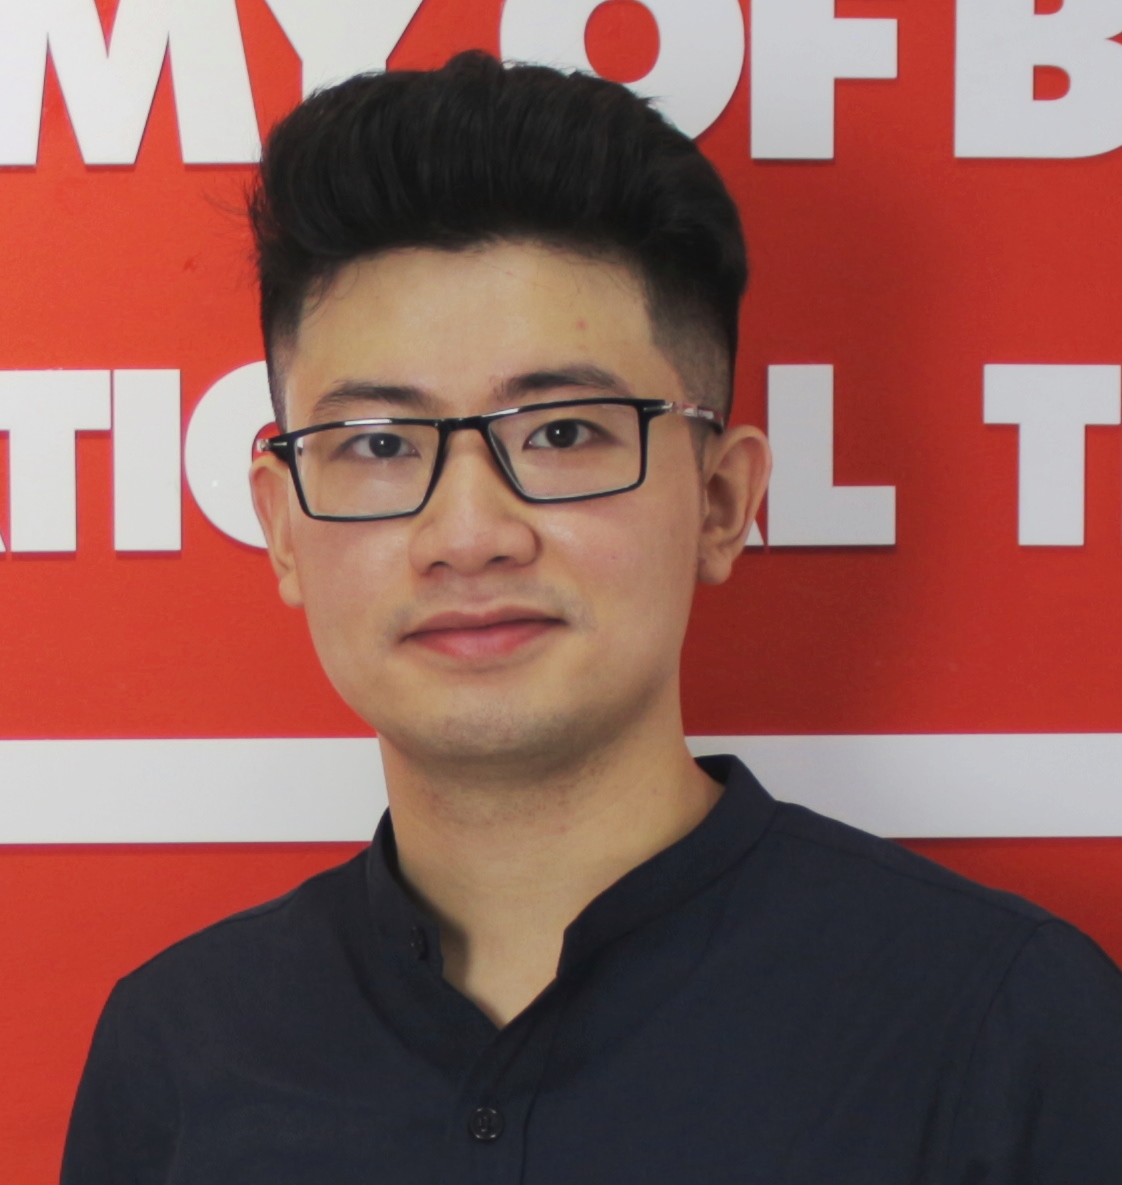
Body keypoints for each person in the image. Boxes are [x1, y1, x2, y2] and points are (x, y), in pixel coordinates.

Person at [61, 51, 1122, 1184]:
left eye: (562, 433)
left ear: (721, 501)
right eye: (377, 444)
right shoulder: (177, 1053)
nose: (469, 533)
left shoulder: (1004, 1027)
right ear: (281, 526)